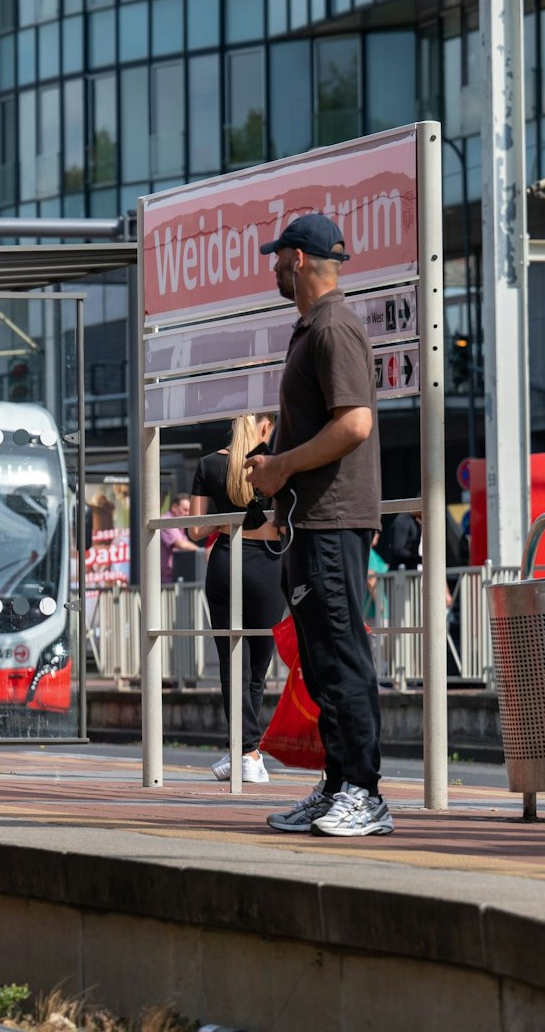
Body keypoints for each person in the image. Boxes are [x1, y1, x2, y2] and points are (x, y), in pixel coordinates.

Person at [248, 212, 392, 838]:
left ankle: (365, 792)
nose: (273, 267)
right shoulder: (312, 329)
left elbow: (354, 422)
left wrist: (279, 466)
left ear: (298, 259)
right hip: (313, 523)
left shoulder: (334, 327)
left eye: (278, 256)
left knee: (340, 658)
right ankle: (338, 785)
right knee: (320, 659)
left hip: (332, 521)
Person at [187, 413, 284, 784]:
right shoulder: (276, 463)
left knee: (232, 662)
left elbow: (195, 531)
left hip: (228, 561)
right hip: (270, 566)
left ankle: (244, 750)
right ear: (264, 426)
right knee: (258, 666)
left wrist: (229, 515)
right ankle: (247, 751)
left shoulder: (210, 464)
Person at [161, 495, 201, 583]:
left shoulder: (178, 525)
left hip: (175, 577)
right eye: (185, 510)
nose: (187, 514)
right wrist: (202, 552)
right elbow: (182, 544)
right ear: (174, 507)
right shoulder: (166, 521)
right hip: (165, 581)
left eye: (189, 511)